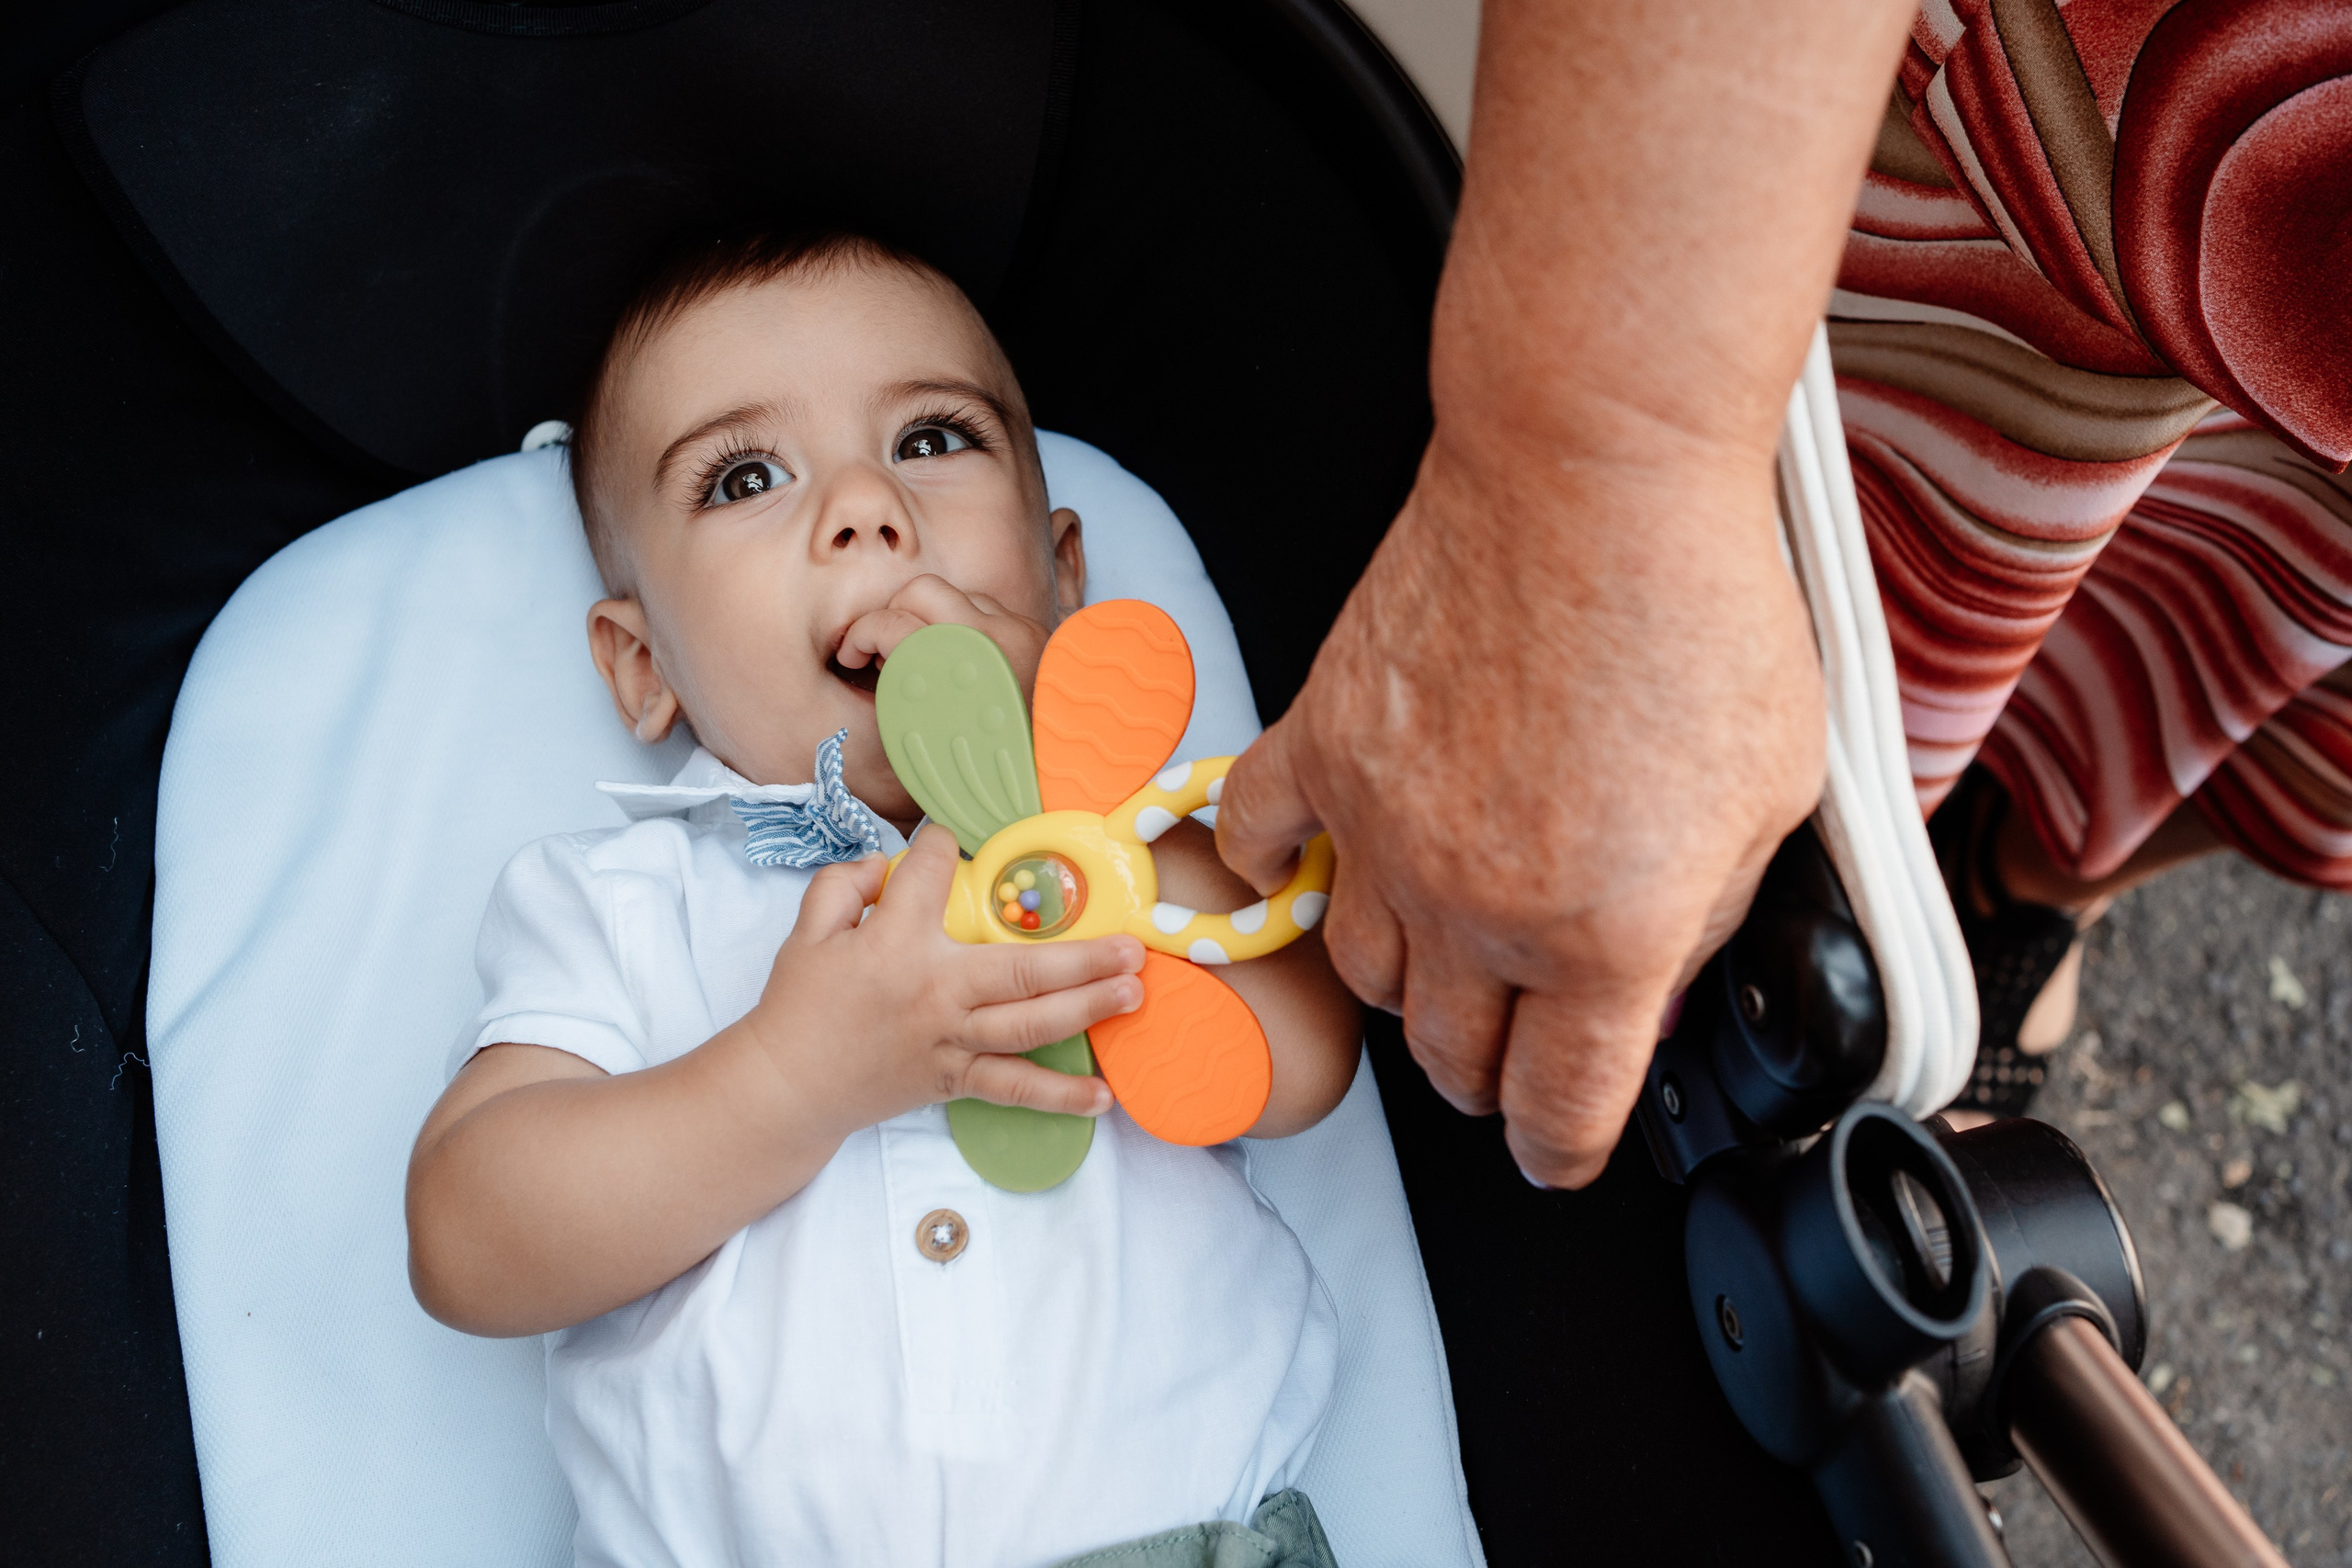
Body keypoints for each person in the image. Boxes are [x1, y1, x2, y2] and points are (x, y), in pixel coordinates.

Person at [1220, 0, 2352, 1173]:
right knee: (1904, 548)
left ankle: (2039, 875)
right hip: (2048, 153)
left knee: (2260, 607)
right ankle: (1962, 847)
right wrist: (1587, 476)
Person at [403, 232, 1362, 1567]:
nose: (865, 506)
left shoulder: (1149, 844)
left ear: (1063, 575)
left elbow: (1306, 1063)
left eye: (931, 440)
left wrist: (1065, 795)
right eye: (746, 475)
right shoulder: (624, 899)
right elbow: (468, 1236)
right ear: (642, 667)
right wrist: (792, 1077)